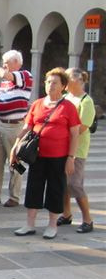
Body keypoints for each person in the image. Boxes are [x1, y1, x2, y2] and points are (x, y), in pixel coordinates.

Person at [11, 68, 80, 239]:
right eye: (48, 82)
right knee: (33, 187)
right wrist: (16, 145)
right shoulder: (37, 104)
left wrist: (71, 158)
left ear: (63, 86)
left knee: (55, 189)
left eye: (55, 82)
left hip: (59, 157)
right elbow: (27, 127)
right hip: (37, 155)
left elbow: (75, 134)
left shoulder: (68, 107)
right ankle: (30, 224)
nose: (51, 85)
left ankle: (52, 225)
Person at [0, 50, 32, 207]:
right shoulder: (5, 83)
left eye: (6, 62)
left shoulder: (25, 75)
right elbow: (0, 102)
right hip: (0, 122)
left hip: (14, 125)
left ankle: (14, 196)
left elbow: (6, 75)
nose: (4, 65)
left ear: (17, 62)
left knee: (15, 161)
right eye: (3, 63)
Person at [58, 68, 95, 233]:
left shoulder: (86, 101)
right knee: (63, 184)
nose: (64, 81)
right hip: (62, 146)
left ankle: (87, 219)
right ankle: (66, 214)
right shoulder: (66, 97)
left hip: (77, 149)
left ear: (78, 80)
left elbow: (82, 127)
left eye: (67, 78)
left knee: (75, 184)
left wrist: (60, 131)